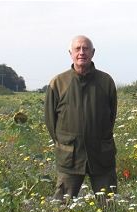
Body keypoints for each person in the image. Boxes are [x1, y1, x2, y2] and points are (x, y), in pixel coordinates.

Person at [45, 35, 118, 200]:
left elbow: (111, 116)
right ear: (70, 53)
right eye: (77, 49)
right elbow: (50, 121)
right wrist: (66, 143)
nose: (81, 52)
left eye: (86, 49)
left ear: (93, 53)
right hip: (70, 157)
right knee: (62, 206)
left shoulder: (106, 81)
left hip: (101, 155)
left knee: (108, 204)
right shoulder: (58, 83)